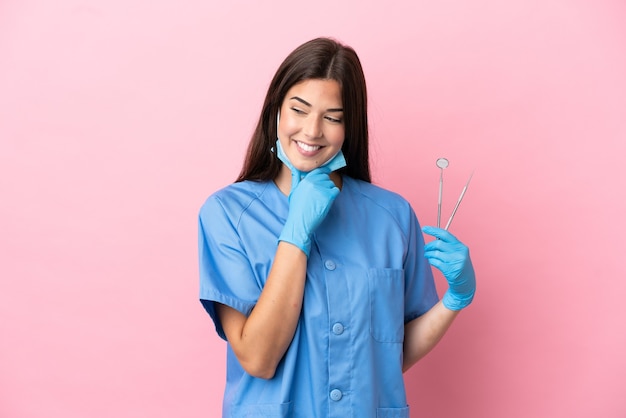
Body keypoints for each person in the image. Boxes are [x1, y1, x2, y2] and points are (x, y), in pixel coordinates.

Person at [198, 37, 476, 418]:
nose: (312, 131)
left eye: (333, 117)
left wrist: (454, 299)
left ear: (349, 126)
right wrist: (296, 231)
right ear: (276, 111)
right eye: (299, 110)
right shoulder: (228, 214)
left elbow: (391, 354)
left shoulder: (391, 216)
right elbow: (259, 359)